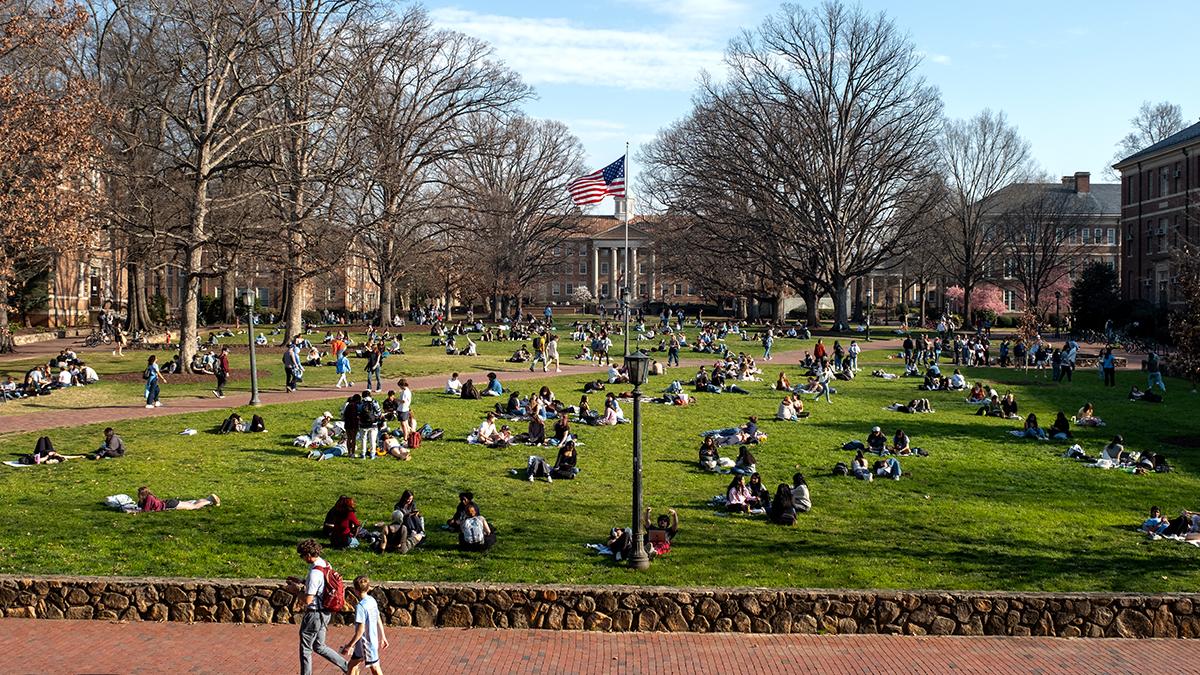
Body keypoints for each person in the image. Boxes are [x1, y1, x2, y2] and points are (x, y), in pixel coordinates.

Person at [285, 539, 350, 675]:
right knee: (319, 646)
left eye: (302, 556)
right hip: (325, 613)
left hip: (314, 614)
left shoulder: (315, 573)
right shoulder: (325, 564)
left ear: (308, 555)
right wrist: (302, 581)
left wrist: (295, 590)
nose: (302, 558)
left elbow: (308, 600)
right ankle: (347, 667)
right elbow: (322, 586)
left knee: (306, 649)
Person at [340, 576, 388, 675]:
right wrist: (383, 636)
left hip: (366, 644)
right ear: (368, 588)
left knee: (375, 669)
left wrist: (349, 646)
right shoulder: (372, 600)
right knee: (351, 665)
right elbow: (378, 618)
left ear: (355, 590)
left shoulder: (360, 607)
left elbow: (360, 631)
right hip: (368, 642)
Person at [136, 486, 219, 512]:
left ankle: (209, 501)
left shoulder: (149, 498)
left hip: (170, 505)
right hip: (169, 502)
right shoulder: (148, 498)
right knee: (190, 503)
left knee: (193, 507)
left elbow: (146, 511)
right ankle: (207, 499)